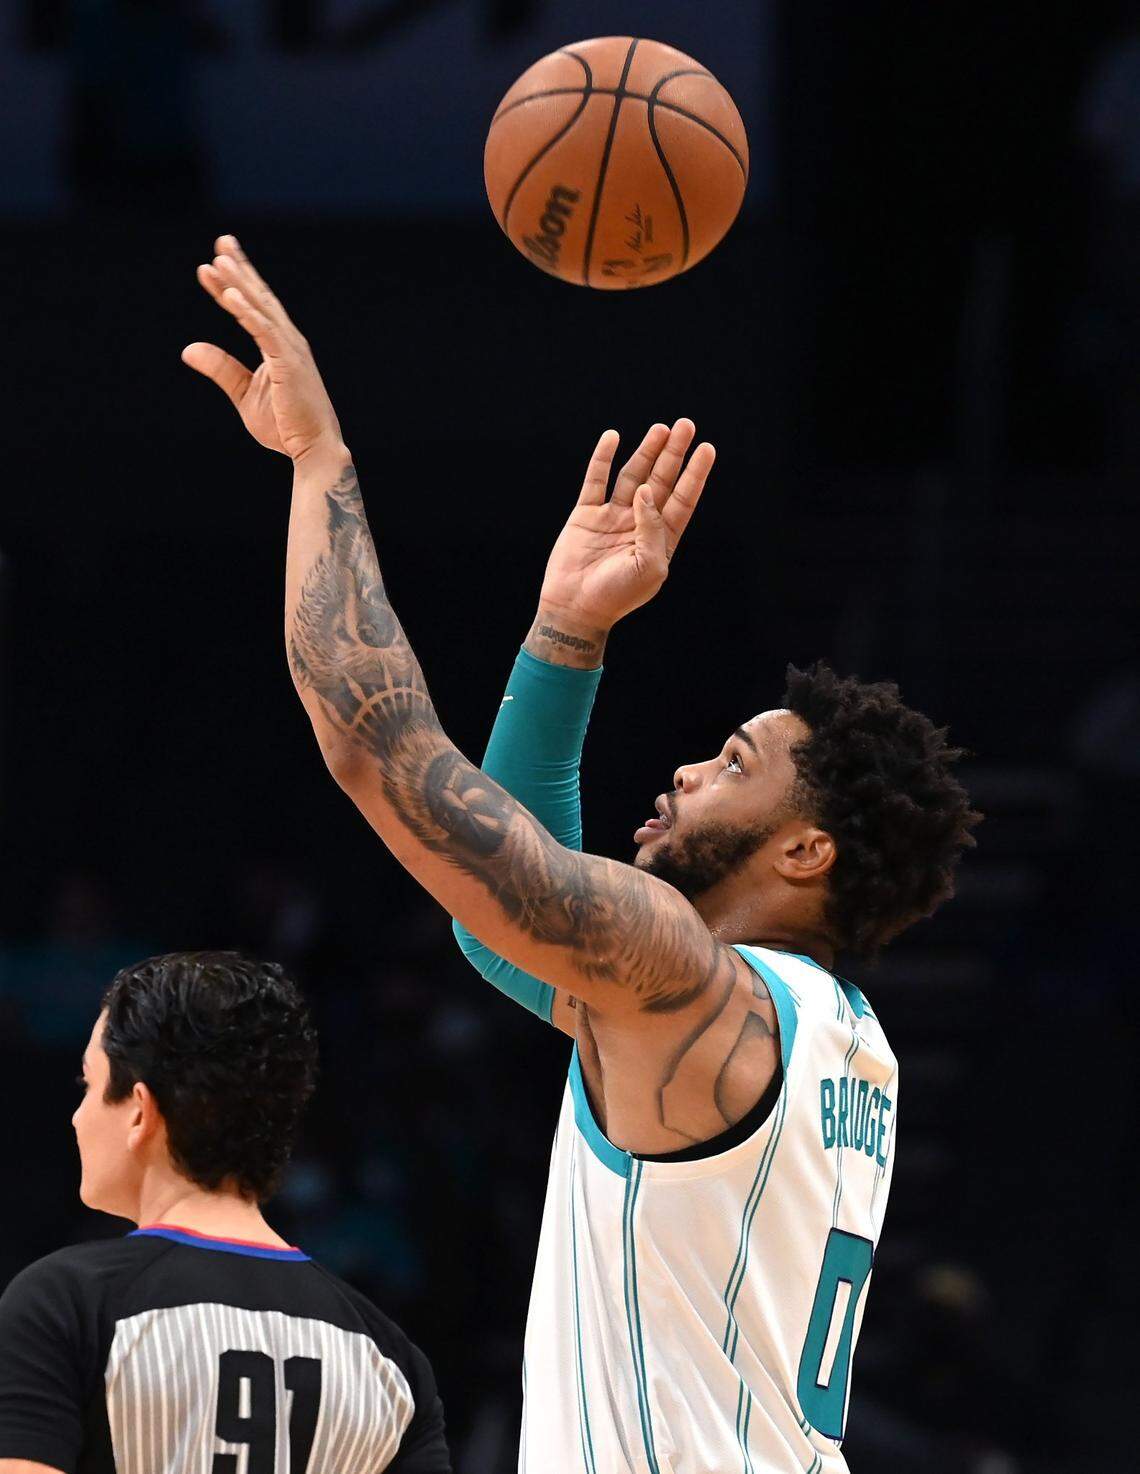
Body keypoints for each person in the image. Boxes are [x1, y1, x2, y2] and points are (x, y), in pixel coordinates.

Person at [184, 236, 979, 1472]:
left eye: (731, 762)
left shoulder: (692, 983)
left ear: (809, 846)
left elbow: (375, 740)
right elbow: (496, 931)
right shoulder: (839, 1040)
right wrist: (563, 632)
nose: (683, 771)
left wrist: (317, 460)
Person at [0, 950, 451, 1474]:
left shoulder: (63, 1306)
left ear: (140, 1111)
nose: (77, 1116)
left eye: (89, 1085)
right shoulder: (390, 1360)